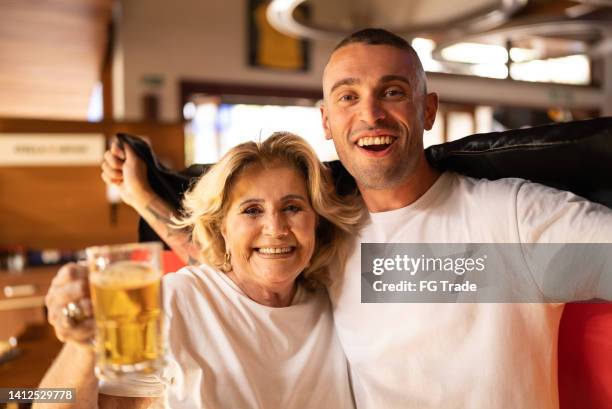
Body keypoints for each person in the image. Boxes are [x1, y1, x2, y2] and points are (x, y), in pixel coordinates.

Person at [100, 29, 612, 408]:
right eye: (348, 96)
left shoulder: (512, 219)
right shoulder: (335, 239)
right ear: (327, 120)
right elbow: (242, 265)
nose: (370, 114)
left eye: (392, 91)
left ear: (427, 109)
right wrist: (143, 196)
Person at [39, 132, 362, 408]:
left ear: (316, 220)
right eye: (252, 210)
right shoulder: (170, 301)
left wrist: (142, 197)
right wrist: (82, 345)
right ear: (221, 226)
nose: (275, 228)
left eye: (292, 207)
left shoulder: (335, 297)